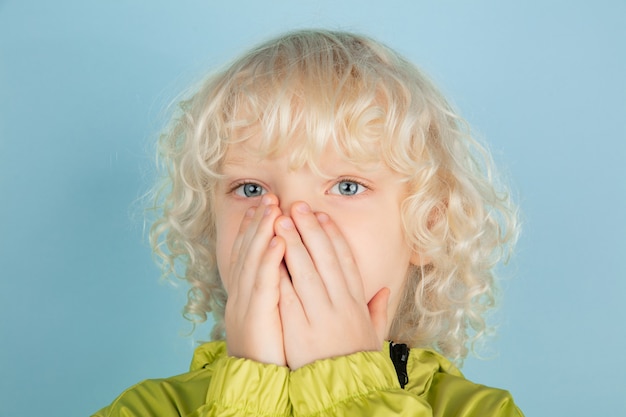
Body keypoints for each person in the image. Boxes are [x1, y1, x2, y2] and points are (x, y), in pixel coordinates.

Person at [93, 29, 522, 416]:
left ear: (427, 224)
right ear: (211, 226)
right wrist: (249, 394)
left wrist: (352, 392)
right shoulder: (144, 409)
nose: (286, 224)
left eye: (347, 186)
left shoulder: (481, 411)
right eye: (250, 190)